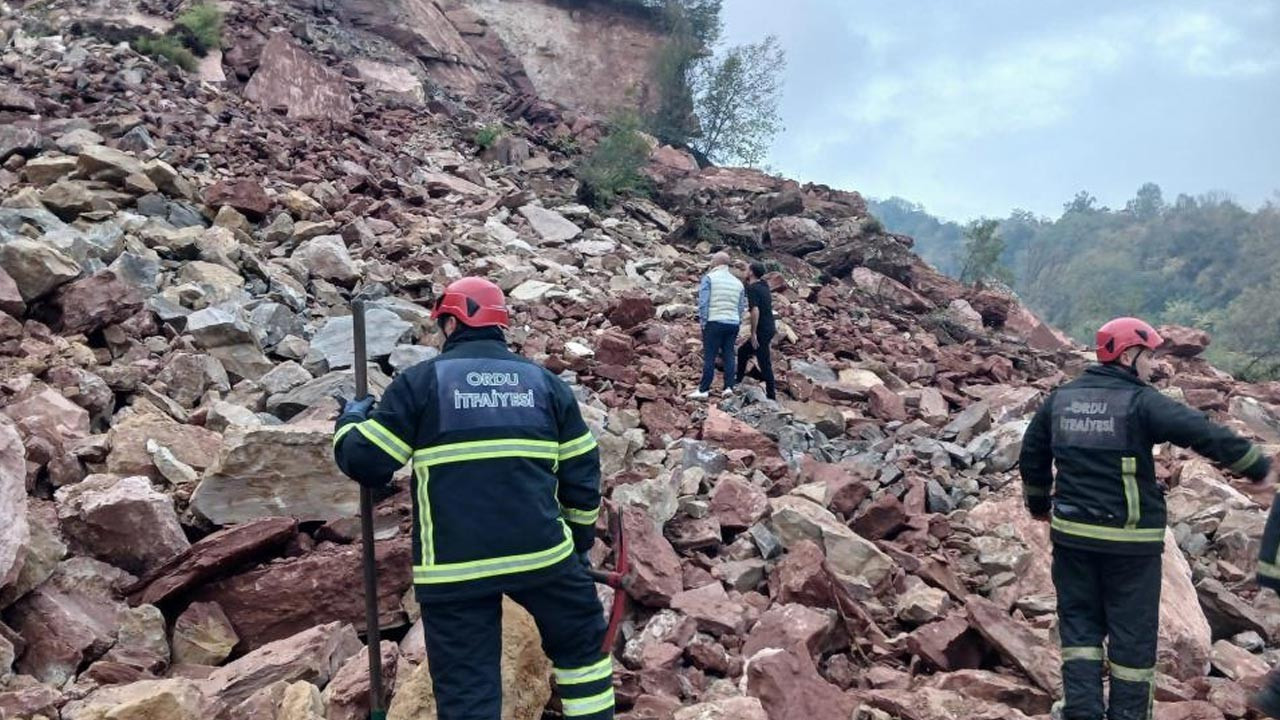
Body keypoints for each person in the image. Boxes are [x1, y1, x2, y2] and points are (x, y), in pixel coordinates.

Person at [333, 277, 613, 720]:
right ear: (499, 325)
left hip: (455, 569)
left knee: (468, 692)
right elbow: (582, 473)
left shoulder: (422, 384)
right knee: (583, 652)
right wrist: (578, 546)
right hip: (543, 557)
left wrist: (350, 420)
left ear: (450, 322)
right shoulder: (544, 384)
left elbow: (367, 462)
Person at [1019, 316, 1272, 720]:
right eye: (1147, 354)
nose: (1151, 363)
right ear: (1128, 353)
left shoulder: (1062, 399)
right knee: (1132, 638)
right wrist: (1254, 463)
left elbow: (1031, 454)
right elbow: (1199, 430)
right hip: (1129, 543)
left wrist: (1038, 507)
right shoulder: (1141, 401)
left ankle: (1082, 709)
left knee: (1080, 627)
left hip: (1072, 538)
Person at [689, 252, 746, 400]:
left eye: (713, 259)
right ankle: (728, 387)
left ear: (717, 262)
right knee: (729, 355)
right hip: (732, 323)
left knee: (710, 356)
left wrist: (703, 322)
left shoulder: (709, 278)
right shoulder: (738, 283)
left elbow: (703, 303)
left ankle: (703, 389)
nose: (711, 261)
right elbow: (741, 306)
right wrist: (737, 321)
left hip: (714, 321)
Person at [734, 261, 778, 400]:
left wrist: (753, 333)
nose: (745, 271)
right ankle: (739, 380)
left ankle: (771, 395)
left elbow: (755, 310)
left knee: (763, 361)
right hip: (770, 327)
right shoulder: (763, 285)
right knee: (743, 352)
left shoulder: (753, 288)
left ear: (752, 272)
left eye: (747, 269)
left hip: (762, 330)